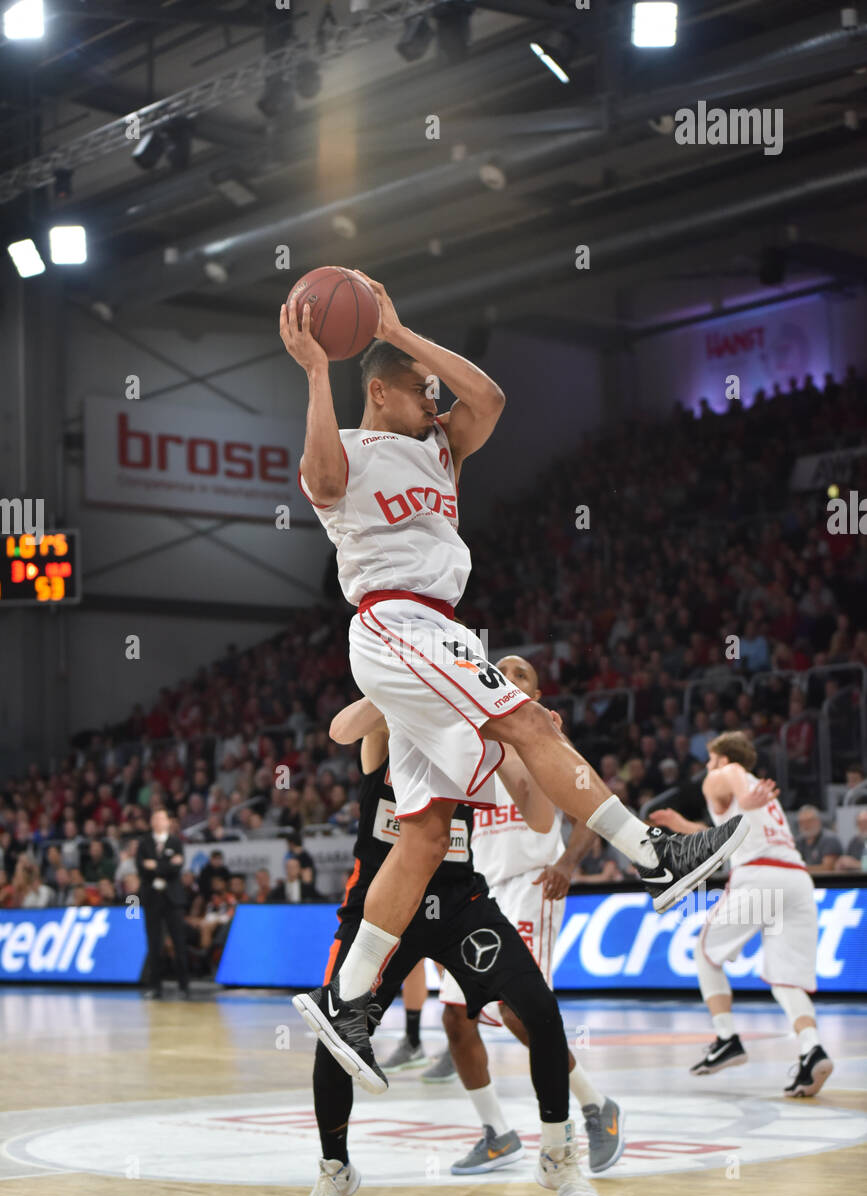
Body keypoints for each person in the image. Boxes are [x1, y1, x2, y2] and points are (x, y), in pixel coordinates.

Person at [281, 269, 747, 1139]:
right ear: (374, 390)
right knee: (527, 720)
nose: (434, 397)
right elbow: (315, 472)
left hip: (434, 628)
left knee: (423, 830)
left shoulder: (441, 448)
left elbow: (487, 394)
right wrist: (316, 370)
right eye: (417, 389)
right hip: (393, 620)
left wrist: (401, 327)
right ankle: (648, 852)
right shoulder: (347, 446)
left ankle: (347, 1003)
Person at [301, 707, 605, 1196]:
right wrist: (404, 678)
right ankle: (334, 1170)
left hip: (457, 900)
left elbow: (536, 818)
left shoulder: (470, 736)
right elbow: (342, 727)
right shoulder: (389, 725)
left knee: (538, 1008)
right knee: (336, 1037)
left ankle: (557, 1151)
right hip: (380, 906)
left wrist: (528, 739)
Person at [437, 654, 624, 1176]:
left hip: (533, 884)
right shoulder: (474, 746)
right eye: (502, 670)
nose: (508, 677)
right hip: (479, 891)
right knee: (455, 1016)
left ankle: (595, 1105)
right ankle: (496, 1133)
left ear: (537, 697)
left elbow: (594, 808)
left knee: (520, 1010)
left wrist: (567, 861)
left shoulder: (548, 742)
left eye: (522, 675)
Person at [650, 732, 833, 1098]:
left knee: (705, 953)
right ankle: (811, 1049)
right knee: (786, 979)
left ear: (720, 757)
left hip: (760, 876)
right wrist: (683, 824)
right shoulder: (759, 797)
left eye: (711, 758)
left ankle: (726, 1037)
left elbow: (731, 773)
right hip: (796, 879)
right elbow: (719, 835)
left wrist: (742, 793)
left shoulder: (726, 774)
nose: (707, 765)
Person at [136, 808, 190, 1000]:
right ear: (151, 822)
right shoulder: (144, 843)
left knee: (178, 942)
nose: (158, 822)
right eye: (155, 818)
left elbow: (176, 868)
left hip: (173, 899)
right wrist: (166, 864)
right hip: (152, 899)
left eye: (162, 818)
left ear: (168, 822)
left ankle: (184, 986)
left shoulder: (176, 842)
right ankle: (155, 986)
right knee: (154, 943)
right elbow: (142, 869)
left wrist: (156, 866)